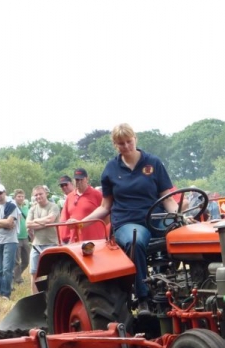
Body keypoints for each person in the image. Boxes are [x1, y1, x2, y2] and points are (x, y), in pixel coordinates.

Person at [86, 123, 180, 314]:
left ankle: (173, 284)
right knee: (135, 240)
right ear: (115, 145)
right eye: (121, 144)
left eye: (129, 141)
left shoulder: (153, 162)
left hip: (156, 217)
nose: (126, 146)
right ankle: (143, 297)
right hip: (128, 221)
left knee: (181, 234)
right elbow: (105, 206)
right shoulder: (111, 169)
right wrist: (82, 221)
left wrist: (179, 217)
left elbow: (168, 198)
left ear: (135, 138)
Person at [27, 184, 61, 294]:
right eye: (36, 195)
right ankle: (35, 299)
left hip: (52, 244)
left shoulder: (53, 206)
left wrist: (36, 222)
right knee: (34, 273)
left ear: (46, 194)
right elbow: (28, 224)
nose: (38, 197)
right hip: (36, 245)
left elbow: (50, 220)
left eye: (40, 194)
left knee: (52, 274)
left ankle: (51, 297)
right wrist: (43, 223)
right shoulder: (32, 209)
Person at [60, 168, 104, 242]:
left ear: (87, 179)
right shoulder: (70, 197)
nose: (79, 182)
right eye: (77, 180)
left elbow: (106, 216)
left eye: (81, 179)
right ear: (74, 181)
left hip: (95, 240)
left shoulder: (97, 194)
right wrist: (65, 237)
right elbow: (64, 219)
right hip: (76, 241)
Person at [12, 189, 30, 285]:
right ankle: (18, 279)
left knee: (26, 260)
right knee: (16, 260)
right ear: (15, 197)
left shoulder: (26, 208)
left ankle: (15, 275)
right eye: (19, 196)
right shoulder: (13, 207)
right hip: (16, 237)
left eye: (22, 196)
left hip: (25, 236)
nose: (21, 198)